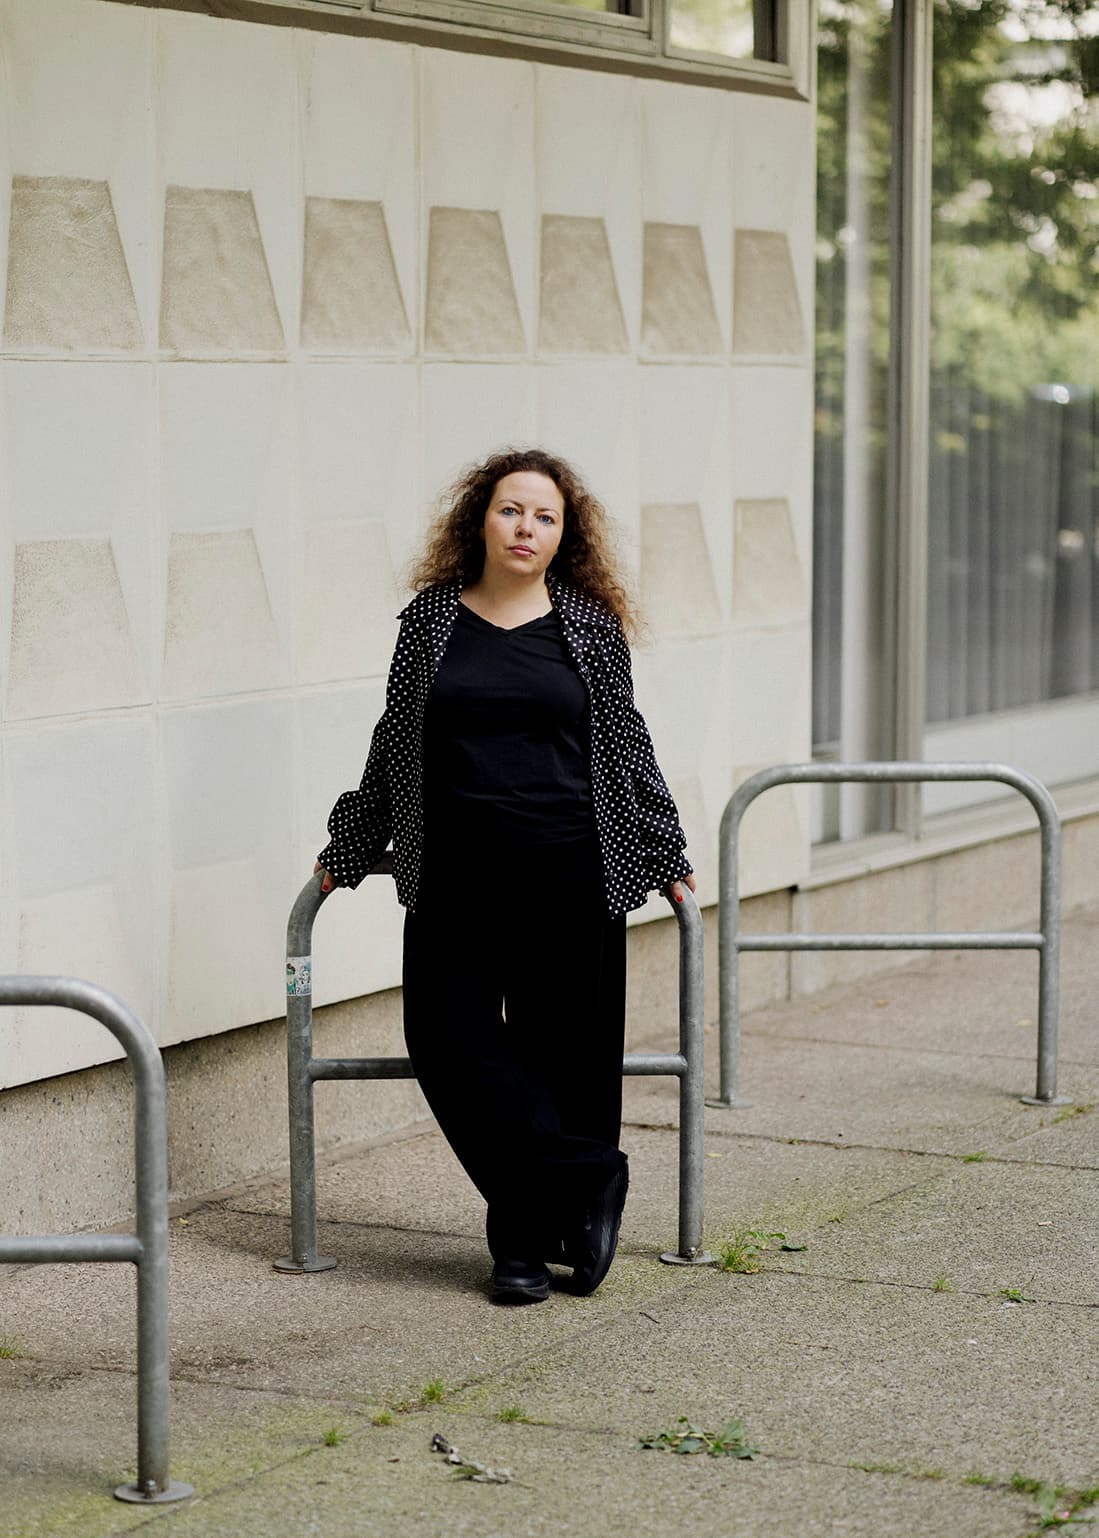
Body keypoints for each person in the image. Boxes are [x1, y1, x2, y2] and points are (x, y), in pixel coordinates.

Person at [314, 447, 695, 1304]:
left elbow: (628, 747)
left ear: (565, 535)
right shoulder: (431, 622)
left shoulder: (590, 628)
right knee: (446, 1042)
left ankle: (520, 1248)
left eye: (545, 516)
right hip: (456, 875)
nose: (527, 527)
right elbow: (394, 740)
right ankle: (591, 1174)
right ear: (478, 521)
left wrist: (665, 852)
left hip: (570, 871)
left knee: (562, 1059)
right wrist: (351, 842)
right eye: (511, 510)